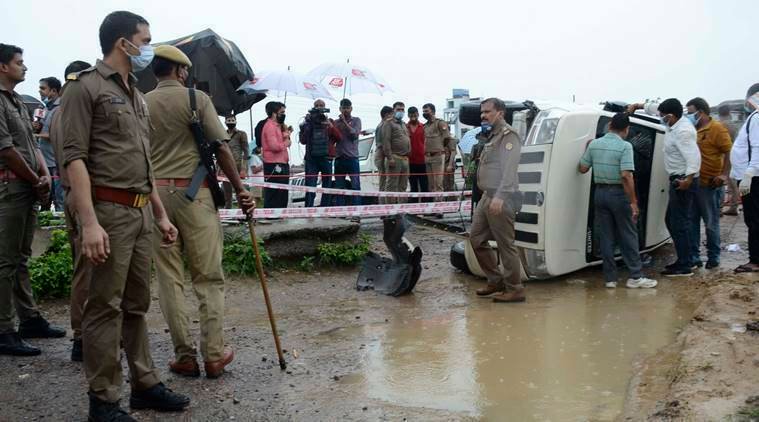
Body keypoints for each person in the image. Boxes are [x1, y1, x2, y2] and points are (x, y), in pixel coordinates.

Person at [60, 11, 190, 420]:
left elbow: (144, 163)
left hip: (138, 212)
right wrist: (89, 222)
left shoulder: (136, 92)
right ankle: (103, 399)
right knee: (104, 307)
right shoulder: (85, 89)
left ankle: (144, 383)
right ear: (123, 43)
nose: (149, 47)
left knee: (136, 304)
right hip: (107, 211)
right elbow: (74, 158)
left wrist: (160, 215)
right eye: (145, 39)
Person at [146, 45, 255, 379]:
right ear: (181, 71)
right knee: (207, 276)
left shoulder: (141, 102)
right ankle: (212, 354)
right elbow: (221, 147)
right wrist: (240, 189)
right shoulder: (196, 100)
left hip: (155, 199)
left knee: (169, 279)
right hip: (196, 196)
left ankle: (184, 356)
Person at [0, 43, 65, 357]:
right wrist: (34, 177)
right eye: (19, 62)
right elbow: (6, 151)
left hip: (25, 187)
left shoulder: (16, 102)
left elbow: (32, 145)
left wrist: (42, 175)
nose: (24, 67)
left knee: (21, 257)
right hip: (10, 189)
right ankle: (3, 329)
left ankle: (28, 319)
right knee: (6, 261)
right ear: (3, 67)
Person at [578, 113, 658, 289]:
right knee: (628, 234)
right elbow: (626, 175)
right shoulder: (625, 146)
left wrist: (587, 149)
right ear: (626, 129)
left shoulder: (595, 145)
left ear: (609, 126)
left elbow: (582, 168)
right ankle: (636, 277)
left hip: (600, 194)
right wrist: (634, 202)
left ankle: (610, 279)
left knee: (606, 236)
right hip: (619, 195)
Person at [48, 59, 93, 362]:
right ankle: (84, 336)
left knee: (81, 265)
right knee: (89, 269)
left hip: (67, 194)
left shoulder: (55, 114)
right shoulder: (75, 112)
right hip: (82, 196)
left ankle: (82, 334)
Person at [629, 98, 701, 277]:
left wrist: (688, 180)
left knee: (679, 222)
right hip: (677, 178)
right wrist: (638, 106)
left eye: (663, 116)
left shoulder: (683, 131)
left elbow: (694, 158)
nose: (660, 117)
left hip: (683, 181)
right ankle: (687, 259)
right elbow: (654, 109)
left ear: (671, 116)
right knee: (672, 220)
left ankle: (685, 264)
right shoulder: (673, 121)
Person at [470, 98, 525, 303]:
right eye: (482, 112)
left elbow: (510, 170)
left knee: (505, 245)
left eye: (487, 112)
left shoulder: (508, 136)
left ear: (500, 113)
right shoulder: (491, 136)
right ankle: (495, 280)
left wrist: (501, 196)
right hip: (487, 196)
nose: (483, 115)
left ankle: (515, 288)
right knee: (476, 239)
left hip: (501, 197)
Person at [685, 98, 732, 269]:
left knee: (711, 223)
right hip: (693, 183)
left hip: (709, 185)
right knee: (691, 222)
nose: (689, 116)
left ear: (701, 112)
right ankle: (694, 256)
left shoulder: (717, 129)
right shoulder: (691, 129)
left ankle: (714, 256)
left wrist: (724, 175)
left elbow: (729, 152)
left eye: (691, 113)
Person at [731, 83, 759, 273]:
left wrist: (748, 174)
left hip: (753, 178)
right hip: (750, 175)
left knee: (754, 219)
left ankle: (755, 260)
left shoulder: (756, 118)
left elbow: (757, 148)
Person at [299, 99, 340, 207]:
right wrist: (308, 124)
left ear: (325, 107)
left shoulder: (329, 121)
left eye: (321, 105)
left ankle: (325, 208)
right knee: (310, 185)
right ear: (313, 107)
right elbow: (303, 140)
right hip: (311, 158)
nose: (319, 107)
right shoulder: (307, 122)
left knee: (327, 185)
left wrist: (330, 125)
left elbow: (339, 137)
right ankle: (309, 208)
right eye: (317, 105)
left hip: (326, 157)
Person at [37, 76, 64, 211]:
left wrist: (32, 135)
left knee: (59, 200)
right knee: (45, 200)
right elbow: (42, 129)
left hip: (56, 162)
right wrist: (35, 126)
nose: (40, 91)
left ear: (53, 91)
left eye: (43, 88)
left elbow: (55, 135)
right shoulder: (45, 108)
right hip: (44, 162)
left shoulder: (61, 108)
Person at [333, 98, 363, 206]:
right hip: (339, 158)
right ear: (340, 109)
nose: (345, 110)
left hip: (352, 159)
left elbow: (354, 134)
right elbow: (333, 137)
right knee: (339, 187)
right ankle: (341, 212)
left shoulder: (356, 120)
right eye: (343, 108)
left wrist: (345, 122)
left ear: (351, 108)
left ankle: (357, 212)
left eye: (347, 108)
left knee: (355, 186)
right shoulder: (336, 123)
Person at [423, 103, 456, 196]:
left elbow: (446, 138)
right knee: (431, 184)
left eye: (426, 111)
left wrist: (439, 148)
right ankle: (433, 205)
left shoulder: (440, 123)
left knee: (438, 183)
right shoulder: (425, 126)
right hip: (427, 156)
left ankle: (439, 205)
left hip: (437, 156)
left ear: (433, 112)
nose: (424, 113)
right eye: (423, 111)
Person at [380, 102, 410, 204]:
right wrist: (390, 158)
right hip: (394, 158)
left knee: (403, 186)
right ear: (393, 110)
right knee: (391, 186)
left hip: (405, 158)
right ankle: (390, 211)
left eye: (402, 109)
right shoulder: (388, 123)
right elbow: (386, 141)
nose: (401, 112)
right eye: (398, 109)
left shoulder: (403, 124)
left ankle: (401, 211)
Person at [262, 101, 290, 208]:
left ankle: (280, 215)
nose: (283, 115)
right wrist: (285, 143)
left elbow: (286, 141)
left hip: (282, 162)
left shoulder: (278, 126)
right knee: (274, 194)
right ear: (274, 113)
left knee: (282, 194)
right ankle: (271, 217)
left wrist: (285, 135)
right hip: (274, 164)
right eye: (281, 112)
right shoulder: (269, 127)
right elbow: (274, 147)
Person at [222, 115, 249, 209]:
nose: (230, 122)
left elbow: (246, 151)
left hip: (238, 164)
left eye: (232, 120)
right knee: (227, 191)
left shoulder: (241, 134)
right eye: (228, 120)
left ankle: (242, 211)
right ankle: (228, 211)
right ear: (225, 122)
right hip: (225, 164)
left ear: (236, 121)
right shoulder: (222, 134)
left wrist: (244, 168)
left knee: (240, 190)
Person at [719, 104, 741, 216]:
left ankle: (719, 208)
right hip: (733, 155)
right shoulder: (734, 125)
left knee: (721, 182)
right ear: (729, 112)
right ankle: (733, 206)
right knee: (732, 183)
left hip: (723, 156)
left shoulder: (721, 125)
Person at [407, 106, 428, 202]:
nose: (413, 117)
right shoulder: (405, 127)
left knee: (424, 185)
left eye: (415, 115)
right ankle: (413, 208)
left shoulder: (423, 127)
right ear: (408, 116)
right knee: (413, 185)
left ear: (418, 115)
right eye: (411, 115)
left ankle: (426, 207)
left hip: (422, 160)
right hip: (410, 161)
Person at [373, 106, 393, 195]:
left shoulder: (381, 125)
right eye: (392, 114)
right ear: (387, 115)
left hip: (381, 153)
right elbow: (384, 143)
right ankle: (383, 202)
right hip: (381, 154)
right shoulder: (383, 125)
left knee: (384, 180)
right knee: (384, 180)